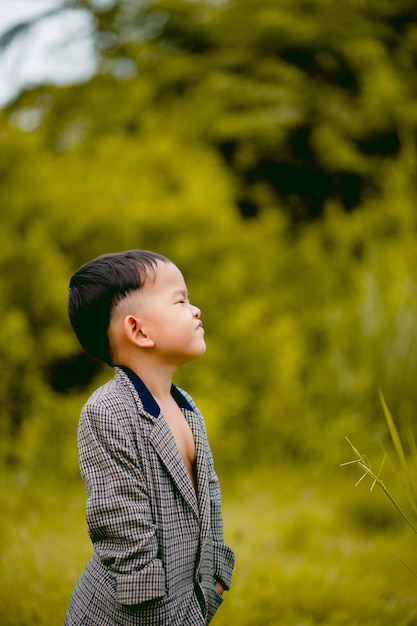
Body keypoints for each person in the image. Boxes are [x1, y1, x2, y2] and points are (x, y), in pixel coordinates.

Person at [64, 250, 235, 626]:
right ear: (138, 331)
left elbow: (209, 491)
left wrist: (217, 573)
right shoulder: (108, 411)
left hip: (191, 596)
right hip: (132, 612)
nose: (195, 310)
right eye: (180, 300)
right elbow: (118, 517)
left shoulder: (186, 406)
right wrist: (149, 601)